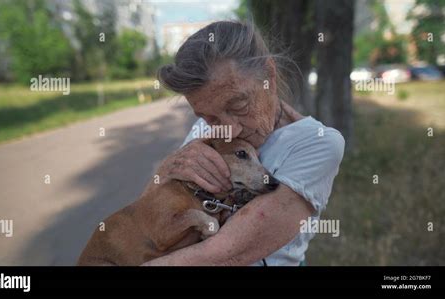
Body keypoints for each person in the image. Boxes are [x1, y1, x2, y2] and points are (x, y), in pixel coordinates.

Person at [142, 21, 345, 266]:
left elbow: (228, 253)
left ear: (269, 74)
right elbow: (147, 214)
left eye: (239, 106)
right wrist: (167, 169)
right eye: (210, 117)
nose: (231, 130)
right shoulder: (206, 130)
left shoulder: (317, 143)